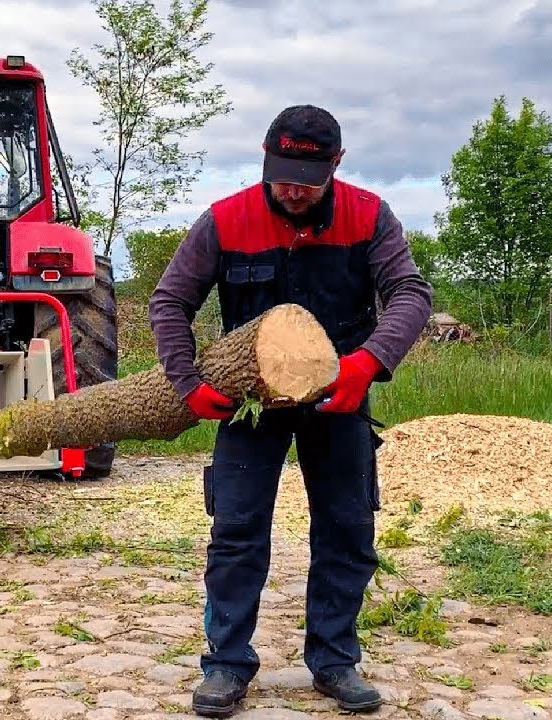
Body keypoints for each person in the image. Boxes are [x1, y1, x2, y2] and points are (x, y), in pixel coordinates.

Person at [148, 105, 433, 717]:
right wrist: (187, 382)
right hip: (250, 406)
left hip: (339, 396)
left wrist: (368, 363)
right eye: (282, 176)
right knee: (236, 531)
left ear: (336, 163)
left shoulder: (370, 216)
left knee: (347, 529)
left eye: (308, 178)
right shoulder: (225, 220)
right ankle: (226, 664)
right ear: (264, 157)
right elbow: (170, 301)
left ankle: (334, 661)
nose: (294, 190)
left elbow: (411, 293)